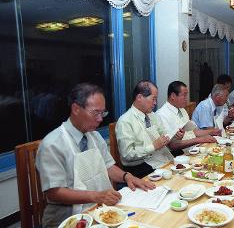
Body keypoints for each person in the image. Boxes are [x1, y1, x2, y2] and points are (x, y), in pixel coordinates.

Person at [36, 83, 155, 227]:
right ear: (76, 109)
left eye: (103, 113)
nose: (100, 119)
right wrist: (96, 196)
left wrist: (127, 176)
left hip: (98, 208)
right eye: (96, 113)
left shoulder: (94, 136)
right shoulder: (52, 144)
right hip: (66, 216)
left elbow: (109, 166)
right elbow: (54, 193)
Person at [116, 80, 184, 178]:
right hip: (139, 167)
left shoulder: (152, 115)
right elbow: (127, 154)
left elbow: (163, 134)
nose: (155, 103)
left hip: (158, 157)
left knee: (183, 172)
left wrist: (175, 136)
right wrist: (153, 146)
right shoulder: (125, 121)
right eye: (153, 99)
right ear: (139, 97)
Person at [156, 81, 220, 156]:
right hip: (175, 154)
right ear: (173, 96)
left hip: (190, 148)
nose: (186, 99)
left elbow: (193, 131)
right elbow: (172, 145)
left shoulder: (182, 110)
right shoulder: (162, 115)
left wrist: (211, 132)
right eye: (184, 95)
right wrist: (199, 139)